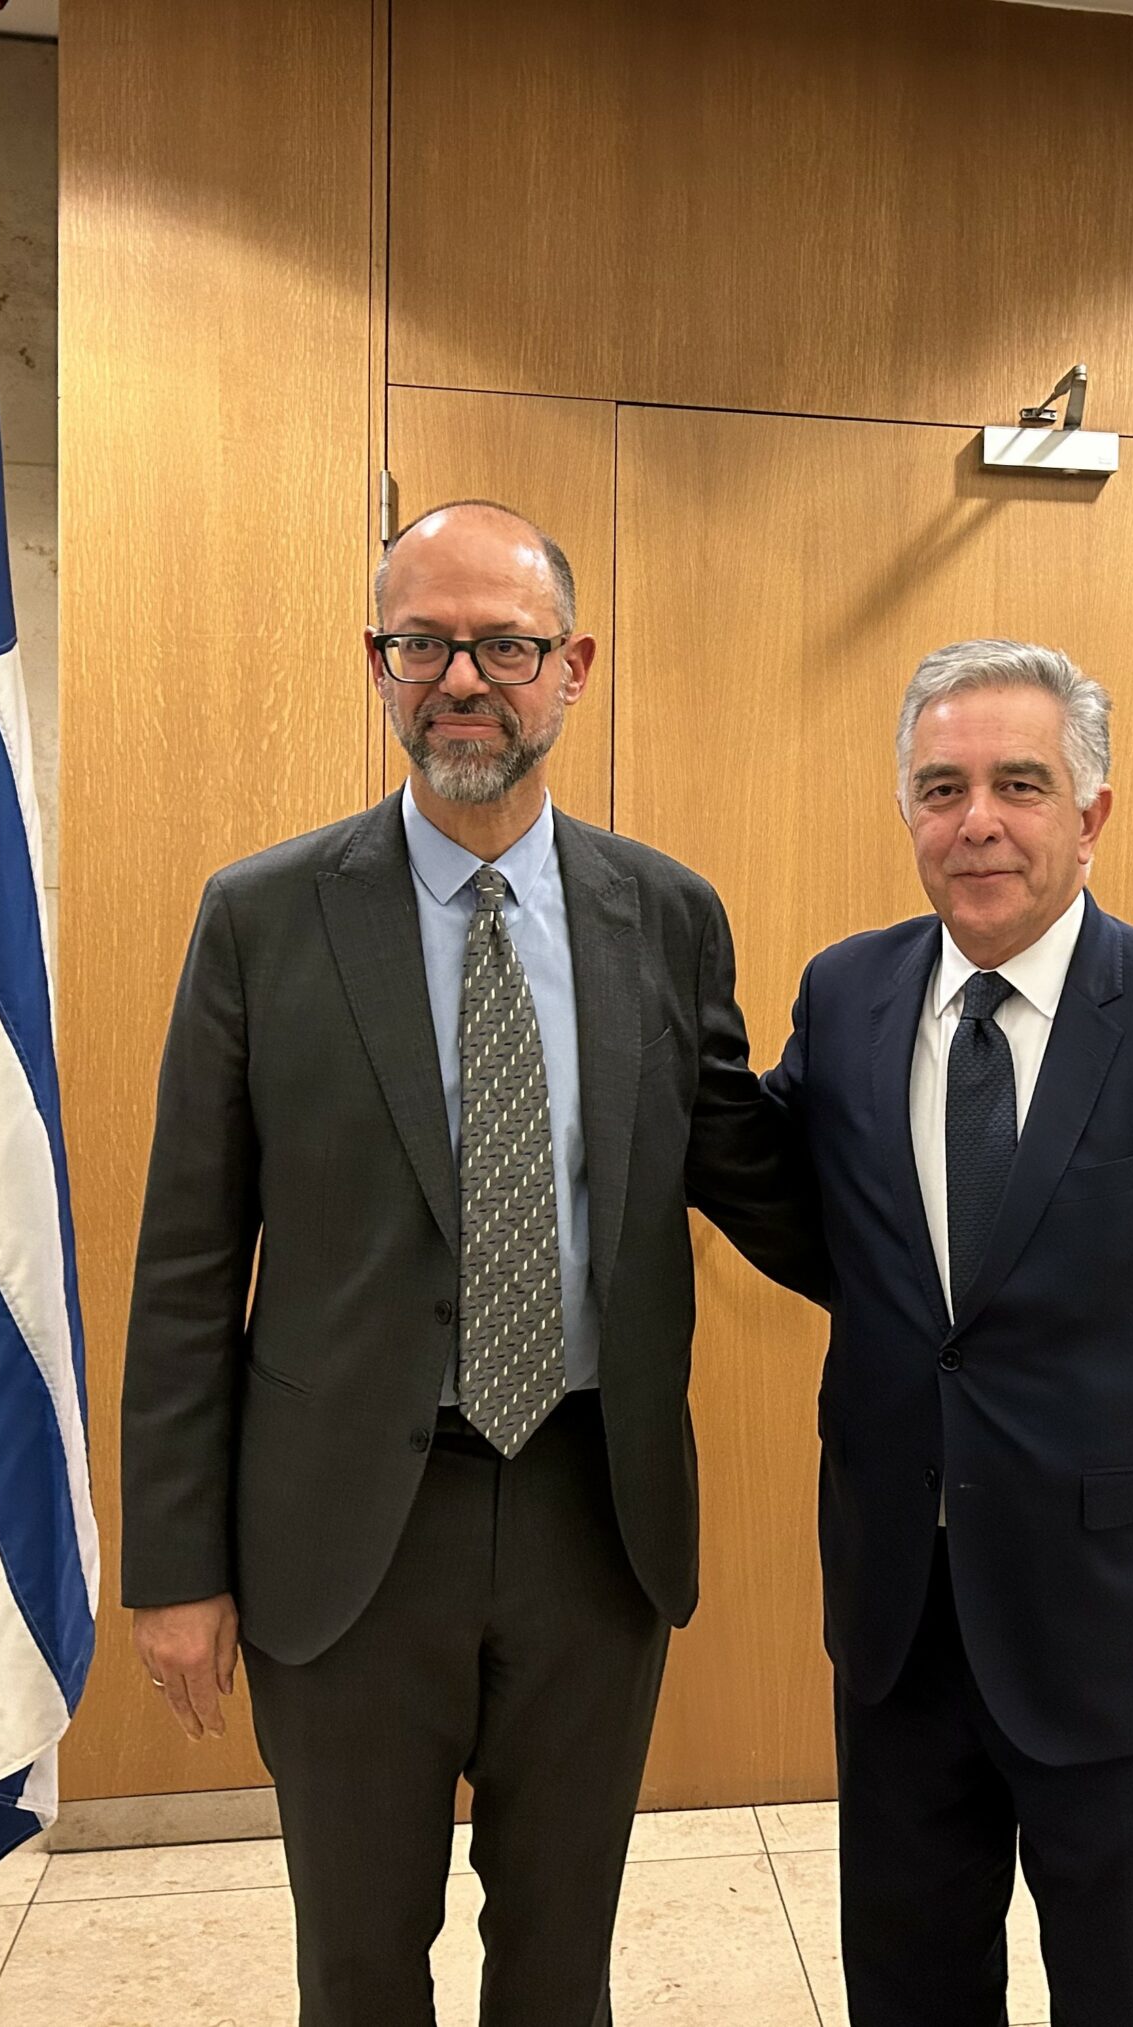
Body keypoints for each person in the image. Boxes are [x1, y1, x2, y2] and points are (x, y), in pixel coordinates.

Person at [121, 500, 818, 2027]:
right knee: (360, 1967)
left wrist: (988, 1250)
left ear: (573, 667)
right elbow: (187, 1260)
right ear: (375, 662)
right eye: (422, 643)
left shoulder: (666, 917)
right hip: (345, 1535)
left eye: (504, 646)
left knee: (561, 1964)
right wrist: (174, 1567)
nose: (461, 680)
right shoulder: (263, 918)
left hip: (593, 1514)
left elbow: (751, 1170)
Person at [766, 639, 1133, 2026]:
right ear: (909, 813)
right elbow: (791, 1200)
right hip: (900, 1620)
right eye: (942, 788)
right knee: (906, 1986)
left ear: (1091, 814)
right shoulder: (844, 998)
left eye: (1019, 785)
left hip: (1120, 1631)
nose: (978, 821)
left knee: (1123, 1994)